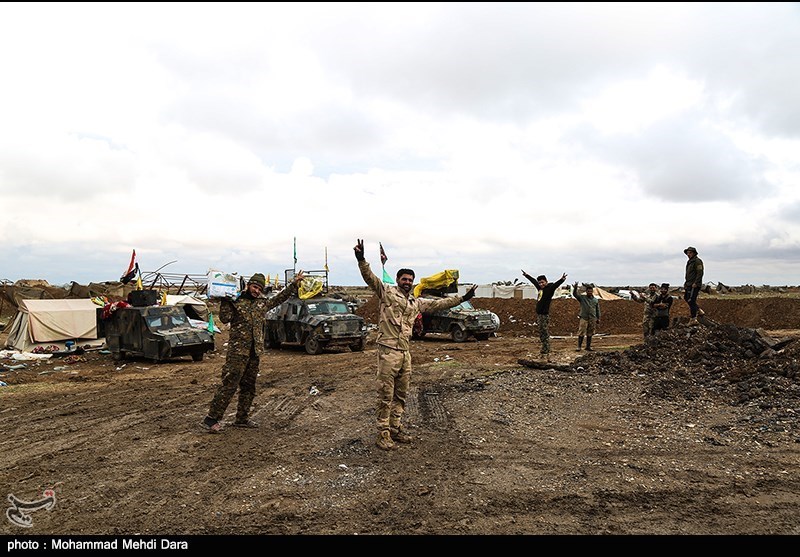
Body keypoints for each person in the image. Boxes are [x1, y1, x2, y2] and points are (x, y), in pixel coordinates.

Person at [355, 239, 478, 451]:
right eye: (404, 279)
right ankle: (383, 434)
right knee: (385, 394)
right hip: (388, 351)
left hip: (405, 353)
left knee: (401, 395)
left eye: (410, 279)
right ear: (397, 280)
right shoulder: (386, 292)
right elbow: (370, 277)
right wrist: (361, 259)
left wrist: (463, 298)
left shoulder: (415, 302)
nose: (407, 282)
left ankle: (395, 428)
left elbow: (439, 304)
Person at [200, 270, 305, 434]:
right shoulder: (236, 301)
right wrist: (225, 300)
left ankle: (242, 418)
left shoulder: (262, 303)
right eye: (255, 287)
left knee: (249, 387)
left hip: (254, 352)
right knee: (229, 385)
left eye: (260, 289)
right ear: (248, 285)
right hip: (237, 352)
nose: (257, 291)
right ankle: (211, 419)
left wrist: (294, 284)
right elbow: (225, 318)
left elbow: (280, 298)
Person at [522, 269, 568, 359]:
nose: (541, 284)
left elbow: (555, 285)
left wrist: (562, 279)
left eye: (542, 282)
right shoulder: (540, 289)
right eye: (540, 283)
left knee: (544, 333)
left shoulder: (549, 289)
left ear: (546, 282)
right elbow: (534, 281)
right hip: (539, 315)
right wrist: (527, 275)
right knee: (542, 332)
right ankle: (545, 347)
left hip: (544, 315)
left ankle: (546, 349)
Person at [572, 282, 600, 351]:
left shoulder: (595, 300)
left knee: (590, 333)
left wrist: (598, 318)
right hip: (584, 318)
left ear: (592, 291)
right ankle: (579, 347)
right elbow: (575, 294)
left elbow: (597, 310)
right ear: (586, 291)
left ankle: (588, 347)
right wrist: (575, 288)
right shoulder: (582, 298)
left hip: (592, 318)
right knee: (581, 332)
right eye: (588, 291)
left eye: (591, 291)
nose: (589, 292)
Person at [683, 246, 705, 323]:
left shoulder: (697, 261)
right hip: (688, 284)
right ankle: (698, 310)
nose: (688, 254)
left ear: (694, 253)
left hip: (694, 284)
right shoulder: (689, 262)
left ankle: (693, 319)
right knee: (686, 297)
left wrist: (696, 282)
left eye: (690, 253)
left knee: (691, 300)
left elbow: (700, 273)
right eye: (687, 253)